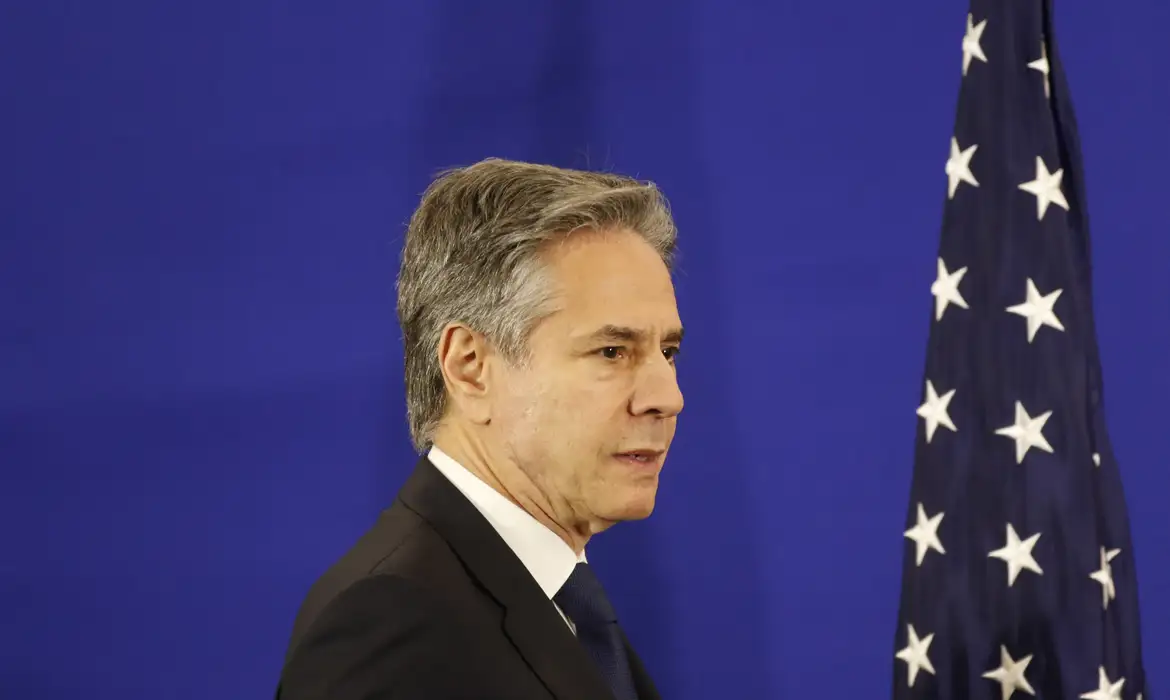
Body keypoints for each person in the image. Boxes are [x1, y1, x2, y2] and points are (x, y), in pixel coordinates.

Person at [275, 158, 685, 700]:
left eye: (668, 351)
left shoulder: (556, 602)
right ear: (470, 367)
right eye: (612, 351)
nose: (667, 397)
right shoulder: (392, 622)